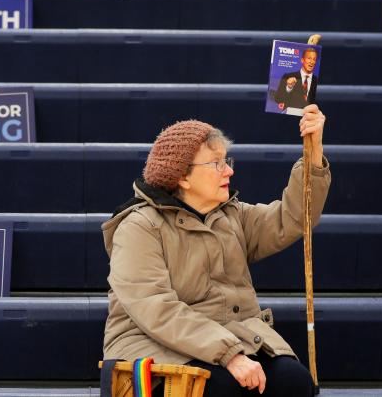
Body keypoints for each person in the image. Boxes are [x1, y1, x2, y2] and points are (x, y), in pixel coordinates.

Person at [102, 104, 330, 396]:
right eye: (217, 164)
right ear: (182, 177)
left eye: (227, 160)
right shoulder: (139, 226)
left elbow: (294, 218)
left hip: (230, 336)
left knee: (294, 383)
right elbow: (156, 308)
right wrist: (229, 355)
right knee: (228, 388)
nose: (229, 171)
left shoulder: (231, 215)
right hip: (154, 343)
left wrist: (314, 151)